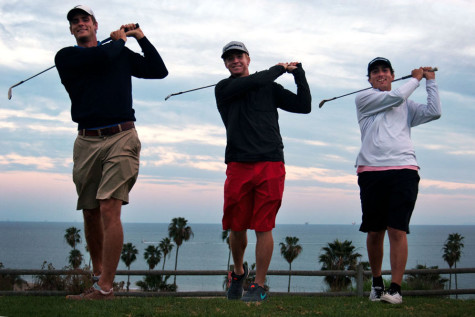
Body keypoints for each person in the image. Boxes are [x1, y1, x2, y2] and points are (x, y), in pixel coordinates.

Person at [55, 5, 168, 300]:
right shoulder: (67, 57)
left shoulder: (118, 53)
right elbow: (100, 57)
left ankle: (105, 287)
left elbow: (158, 71)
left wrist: (140, 37)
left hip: (122, 136)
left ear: (95, 25)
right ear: (71, 30)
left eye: (85, 20)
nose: (80, 24)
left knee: (108, 206)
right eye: (75, 22)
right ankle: (97, 278)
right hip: (86, 141)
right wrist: (119, 41)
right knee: (91, 211)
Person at [215, 41, 311, 302]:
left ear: (248, 59)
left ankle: (257, 285)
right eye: (229, 58)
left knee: (264, 226)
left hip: (270, 162)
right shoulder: (224, 88)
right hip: (238, 163)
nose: (235, 61)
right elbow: (253, 82)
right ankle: (238, 272)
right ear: (225, 63)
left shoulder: (268, 86)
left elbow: (304, 105)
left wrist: (299, 75)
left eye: (239, 56)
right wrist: (279, 68)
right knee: (236, 227)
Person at [355, 57, 441, 304]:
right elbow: (394, 98)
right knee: (374, 231)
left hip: (404, 169)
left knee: (397, 229)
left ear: (392, 75)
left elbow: (434, 112)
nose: (380, 74)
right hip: (371, 170)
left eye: (385, 70)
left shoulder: (407, 104)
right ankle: (377, 284)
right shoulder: (364, 98)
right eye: (375, 72)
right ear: (369, 79)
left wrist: (430, 82)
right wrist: (416, 78)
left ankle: (395, 289)